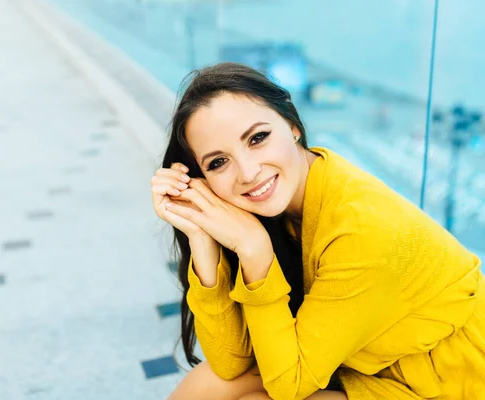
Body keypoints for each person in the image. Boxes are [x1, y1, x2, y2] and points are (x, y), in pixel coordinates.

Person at [150, 62, 485, 400]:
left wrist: (255, 251)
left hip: (452, 383)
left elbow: (288, 386)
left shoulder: (362, 231)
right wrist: (201, 235)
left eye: (258, 138)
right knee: (207, 385)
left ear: (293, 126)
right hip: (370, 365)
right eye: (218, 162)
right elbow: (229, 362)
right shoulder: (282, 201)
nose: (248, 172)